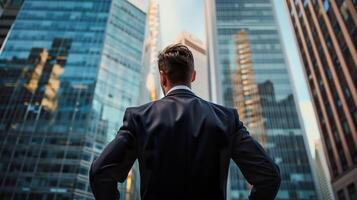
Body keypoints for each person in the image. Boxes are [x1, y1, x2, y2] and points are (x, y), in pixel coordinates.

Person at [89, 44, 281, 200]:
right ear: (193, 76)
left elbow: (100, 173)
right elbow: (269, 176)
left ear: (163, 78)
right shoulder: (226, 119)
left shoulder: (139, 117)